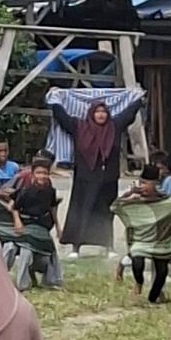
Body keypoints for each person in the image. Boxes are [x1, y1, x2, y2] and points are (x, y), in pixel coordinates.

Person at [48, 89, 145, 253]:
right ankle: (76, 248)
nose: (101, 115)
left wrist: (139, 99)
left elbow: (129, 114)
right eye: (98, 111)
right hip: (84, 179)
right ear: (92, 113)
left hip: (108, 179)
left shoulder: (114, 126)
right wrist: (55, 99)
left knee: (106, 213)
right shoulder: (79, 126)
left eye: (103, 111)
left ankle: (108, 247)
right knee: (80, 211)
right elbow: (61, 116)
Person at [113, 164, 171, 304]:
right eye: (141, 182)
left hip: (161, 241)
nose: (142, 186)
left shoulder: (167, 201)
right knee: (137, 261)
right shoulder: (135, 200)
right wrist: (128, 194)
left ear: (155, 184)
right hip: (141, 241)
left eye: (145, 183)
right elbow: (115, 207)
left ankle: (153, 299)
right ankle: (139, 283)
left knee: (161, 271)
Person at [8, 157, 63, 291]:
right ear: (33, 174)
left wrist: (58, 227)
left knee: (49, 249)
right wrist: (17, 221)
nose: (42, 176)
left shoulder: (50, 191)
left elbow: (52, 209)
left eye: (45, 173)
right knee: (21, 249)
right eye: (38, 173)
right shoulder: (25, 191)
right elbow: (13, 207)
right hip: (26, 224)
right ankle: (21, 284)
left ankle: (52, 279)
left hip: (41, 226)